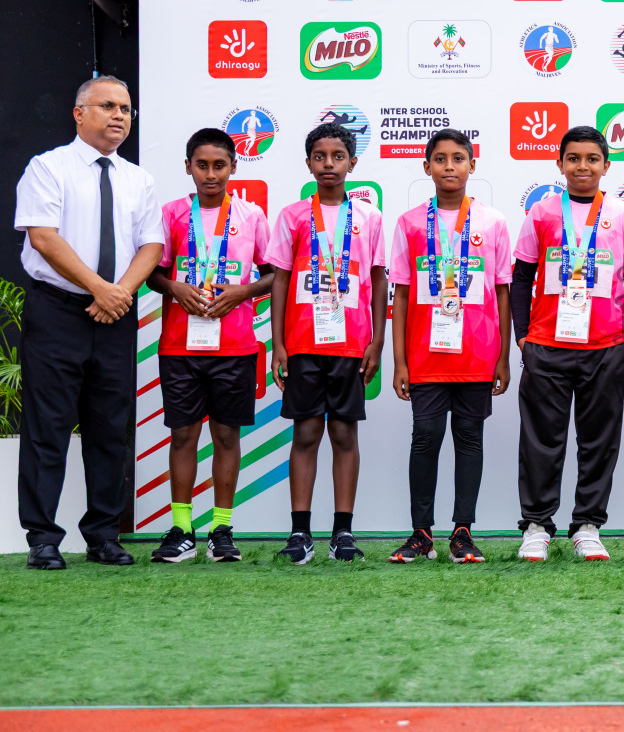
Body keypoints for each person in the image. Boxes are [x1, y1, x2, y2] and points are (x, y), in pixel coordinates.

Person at [14, 76, 164, 569]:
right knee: (48, 428)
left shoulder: (138, 179)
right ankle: (42, 538)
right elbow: (44, 238)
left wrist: (118, 294)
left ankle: (103, 535)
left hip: (115, 316)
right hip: (58, 311)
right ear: (79, 113)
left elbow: (152, 246)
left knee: (109, 428)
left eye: (125, 108)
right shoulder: (47, 168)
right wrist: (101, 288)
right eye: (107, 106)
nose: (119, 116)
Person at [511, 125, 624, 562]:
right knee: (540, 440)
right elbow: (521, 278)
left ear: (606, 165)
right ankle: (536, 524)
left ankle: (587, 524)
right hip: (547, 344)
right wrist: (523, 336)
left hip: (606, 346)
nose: (582, 166)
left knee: (599, 439)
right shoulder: (542, 213)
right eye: (574, 158)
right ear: (560, 164)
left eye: (592, 158)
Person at [145, 129, 272, 563]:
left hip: (235, 347)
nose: (211, 174)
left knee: (225, 434)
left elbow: (275, 275)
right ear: (187, 168)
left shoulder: (252, 216)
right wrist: (175, 287)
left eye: (220, 165)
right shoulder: (172, 214)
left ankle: (221, 527)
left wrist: (242, 292)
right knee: (183, 434)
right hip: (180, 345)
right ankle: (182, 527)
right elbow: (152, 273)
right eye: (202, 165)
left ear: (234, 167)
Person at [386, 130, 513, 564]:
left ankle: (462, 532)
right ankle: (421, 532)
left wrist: (502, 355)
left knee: (469, 438)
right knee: (425, 437)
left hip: (477, 355)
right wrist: (400, 360)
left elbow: (501, 292)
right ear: (427, 167)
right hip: (425, 355)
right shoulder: (408, 223)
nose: (449, 166)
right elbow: (400, 293)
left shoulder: (492, 222)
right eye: (439, 159)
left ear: (472, 166)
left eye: (459, 158)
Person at [268, 123, 387, 564]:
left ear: (353, 163)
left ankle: (343, 531)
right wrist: (278, 342)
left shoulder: (370, 218)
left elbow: (378, 279)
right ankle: (300, 532)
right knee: (305, 432)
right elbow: (280, 279)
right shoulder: (293, 216)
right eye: (320, 156)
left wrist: (376, 341)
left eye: (338, 156)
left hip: (351, 345)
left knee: (343, 432)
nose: (329, 164)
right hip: (302, 343)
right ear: (308, 164)